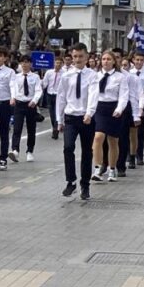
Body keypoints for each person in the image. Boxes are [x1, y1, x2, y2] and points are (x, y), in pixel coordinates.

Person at [56, 44, 97, 200]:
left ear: (86, 58)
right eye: (75, 56)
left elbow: (94, 95)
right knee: (68, 147)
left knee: (87, 152)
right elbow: (61, 97)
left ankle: (85, 184)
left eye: (81, 56)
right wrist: (59, 119)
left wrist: (89, 113)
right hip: (71, 117)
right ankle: (70, 181)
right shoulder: (66, 76)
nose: (78, 59)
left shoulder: (92, 75)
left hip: (86, 118)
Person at [90, 51, 128, 183]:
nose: (105, 61)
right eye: (103, 59)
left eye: (108, 59)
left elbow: (124, 95)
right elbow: (91, 94)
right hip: (99, 107)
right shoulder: (95, 76)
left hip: (113, 109)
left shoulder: (120, 77)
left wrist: (119, 109)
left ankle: (112, 169)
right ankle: (97, 168)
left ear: (113, 62)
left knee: (113, 141)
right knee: (98, 137)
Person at [9, 57, 43, 162]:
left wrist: (34, 100)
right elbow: (13, 88)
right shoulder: (16, 76)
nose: (24, 65)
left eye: (26, 62)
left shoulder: (35, 77)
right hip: (19, 104)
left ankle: (30, 151)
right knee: (17, 128)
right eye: (22, 62)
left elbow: (38, 90)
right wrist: (13, 97)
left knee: (31, 129)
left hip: (30, 104)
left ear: (30, 64)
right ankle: (15, 150)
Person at [42, 55, 64, 140]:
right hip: (49, 94)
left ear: (62, 64)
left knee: (57, 112)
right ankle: (55, 126)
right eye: (56, 63)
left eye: (59, 63)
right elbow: (45, 83)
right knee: (51, 113)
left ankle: (55, 130)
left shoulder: (64, 74)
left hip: (59, 95)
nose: (58, 64)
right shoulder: (49, 72)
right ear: (54, 63)